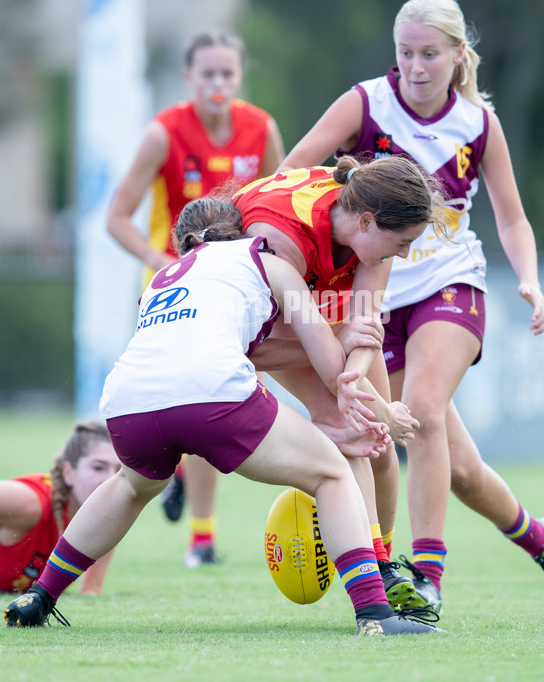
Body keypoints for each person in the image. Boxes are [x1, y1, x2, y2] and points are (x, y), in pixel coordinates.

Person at [275, 0, 544, 613]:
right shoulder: (364, 103)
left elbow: (513, 218)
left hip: (452, 284)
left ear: (458, 55)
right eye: (405, 53)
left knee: (418, 409)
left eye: (429, 54)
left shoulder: (479, 124)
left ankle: (424, 580)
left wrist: (528, 277)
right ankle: (543, 543)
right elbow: (293, 170)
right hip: (374, 299)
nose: (415, 67)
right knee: (460, 468)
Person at [4, 198, 441, 636]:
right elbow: (329, 366)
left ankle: (40, 595)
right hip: (211, 393)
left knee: (130, 486)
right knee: (331, 474)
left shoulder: (161, 278)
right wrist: (351, 358)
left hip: (127, 401)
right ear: (243, 228)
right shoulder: (267, 262)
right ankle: (375, 614)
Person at [107, 30, 285, 568]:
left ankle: (201, 538)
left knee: (218, 395)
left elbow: (278, 204)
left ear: (239, 76)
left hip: (233, 293)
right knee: (195, 398)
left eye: (227, 73)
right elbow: (117, 218)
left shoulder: (261, 128)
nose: (218, 83)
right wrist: (165, 264)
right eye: (207, 73)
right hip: (173, 292)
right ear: (189, 78)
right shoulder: (164, 134)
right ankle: (178, 479)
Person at [232, 153, 441, 610]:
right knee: (353, 429)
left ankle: (380, 564)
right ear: (366, 221)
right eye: (402, 243)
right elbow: (266, 346)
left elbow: (365, 327)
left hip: (319, 312)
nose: (404, 254)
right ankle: (372, 587)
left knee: (378, 441)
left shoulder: (373, 225)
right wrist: (378, 406)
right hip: (264, 328)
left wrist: (362, 388)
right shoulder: (280, 239)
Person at [0, 421, 121, 596]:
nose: (111, 480)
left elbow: (90, 592)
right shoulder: (31, 502)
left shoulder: (106, 520)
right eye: (98, 467)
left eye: (119, 471)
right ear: (69, 473)